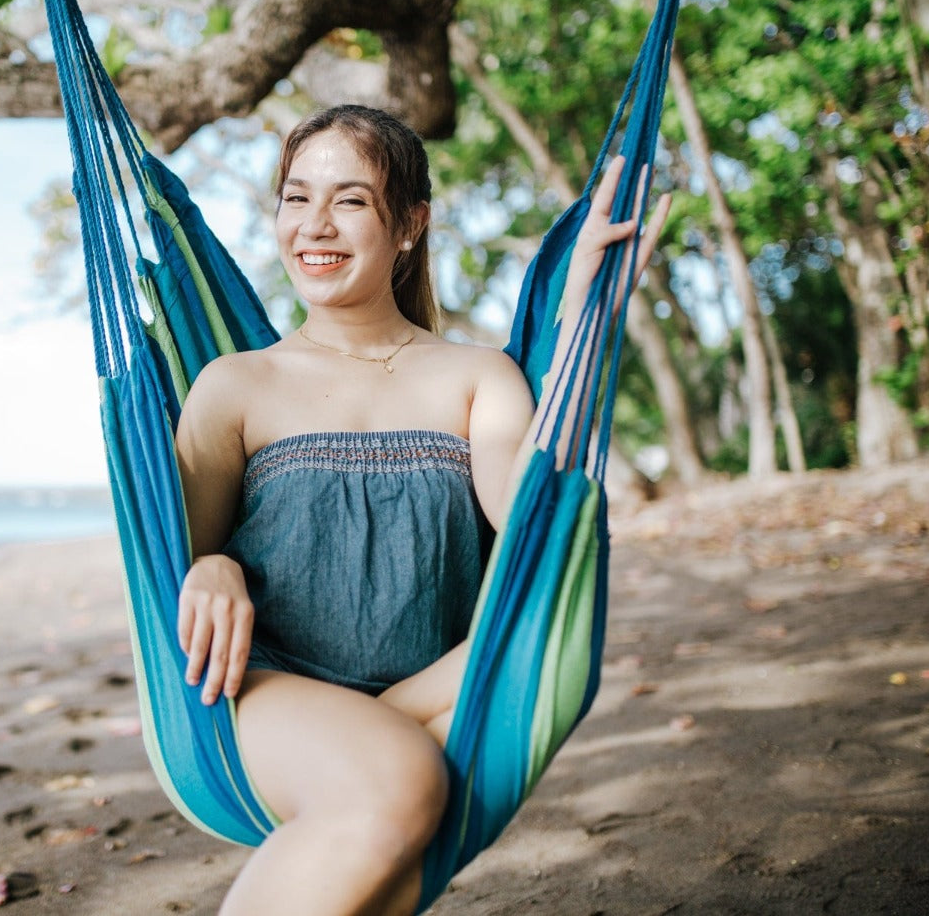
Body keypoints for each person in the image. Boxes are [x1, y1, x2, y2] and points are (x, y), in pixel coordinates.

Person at [172, 104, 671, 916]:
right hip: (266, 696)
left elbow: (532, 525)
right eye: (295, 199)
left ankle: (388, 724)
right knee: (402, 783)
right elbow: (177, 562)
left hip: (444, 688)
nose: (314, 226)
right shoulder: (233, 384)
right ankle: (388, 731)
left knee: (390, 829)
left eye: (351, 200)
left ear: (410, 224)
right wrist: (216, 565)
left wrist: (585, 326)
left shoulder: (478, 378)